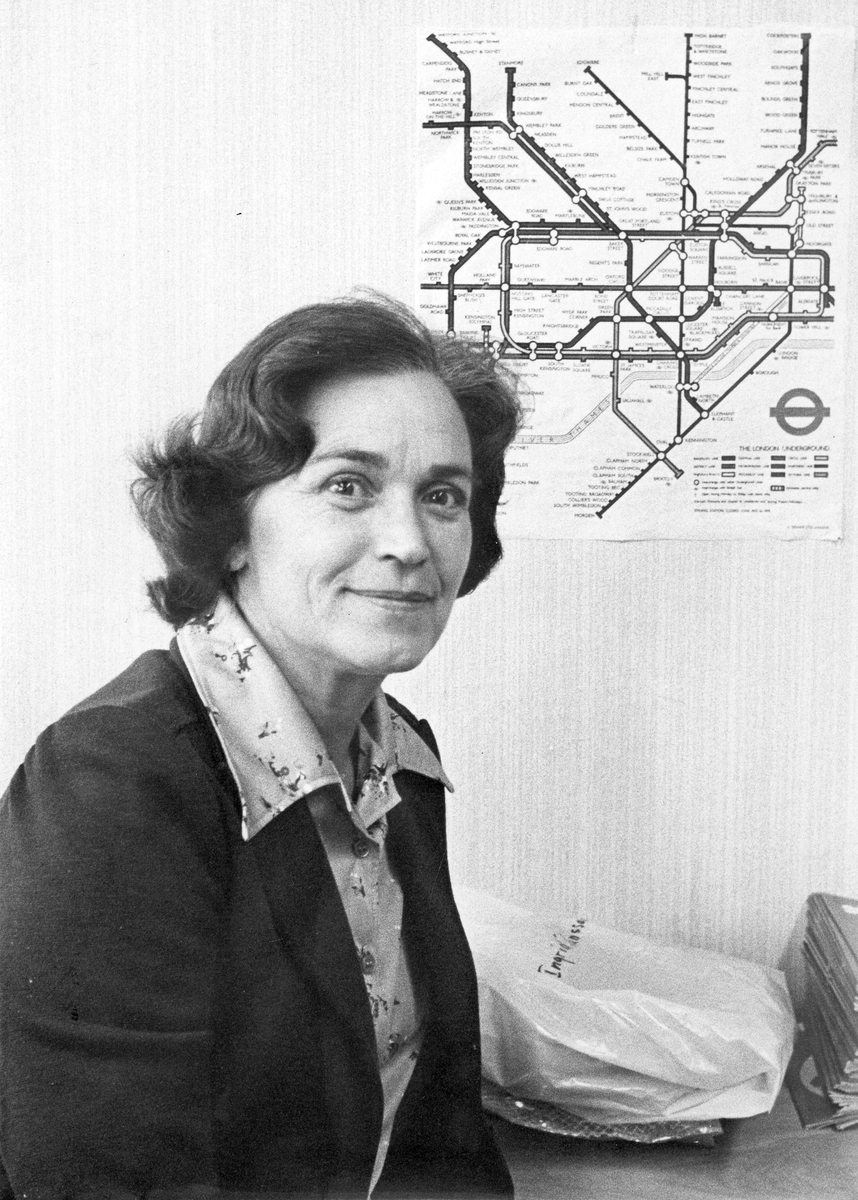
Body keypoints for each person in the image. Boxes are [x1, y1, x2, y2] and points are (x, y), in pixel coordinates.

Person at [0, 295, 521, 1199]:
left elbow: (435, 1135)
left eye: (443, 495)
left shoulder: (401, 761)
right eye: (348, 486)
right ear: (232, 527)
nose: (409, 543)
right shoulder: (111, 783)